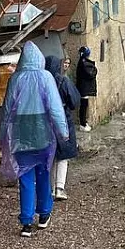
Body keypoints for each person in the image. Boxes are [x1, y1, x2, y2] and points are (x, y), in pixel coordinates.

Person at [0, 41, 69, 237]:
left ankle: (27, 222)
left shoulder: (15, 79)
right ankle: (44, 214)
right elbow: (55, 107)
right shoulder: (46, 77)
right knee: (43, 174)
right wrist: (63, 131)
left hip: (21, 134)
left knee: (25, 178)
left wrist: (1, 136)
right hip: (42, 133)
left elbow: (6, 110)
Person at [45, 54, 80, 201]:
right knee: (63, 155)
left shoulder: (42, 82)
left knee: (51, 155)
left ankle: (51, 188)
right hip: (63, 119)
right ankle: (60, 188)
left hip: (46, 120)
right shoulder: (63, 81)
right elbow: (74, 101)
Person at [76, 46, 98, 131]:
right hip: (84, 88)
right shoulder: (84, 63)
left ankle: (84, 122)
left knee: (84, 105)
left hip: (83, 87)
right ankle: (83, 124)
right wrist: (95, 69)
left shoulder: (82, 62)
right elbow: (91, 73)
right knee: (84, 106)